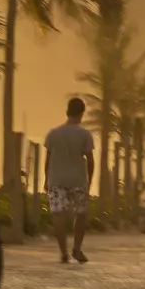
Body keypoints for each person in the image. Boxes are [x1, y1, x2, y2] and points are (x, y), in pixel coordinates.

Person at [44, 98, 96, 264]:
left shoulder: (53, 133)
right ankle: (77, 249)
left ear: (68, 111)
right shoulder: (84, 134)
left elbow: (48, 158)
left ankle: (63, 252)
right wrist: (90, 180)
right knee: (81, 214)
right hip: (78, 180)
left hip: (56, 180)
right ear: (81, 113)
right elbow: (90, 160)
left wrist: (46, 178)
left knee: (58, 215)